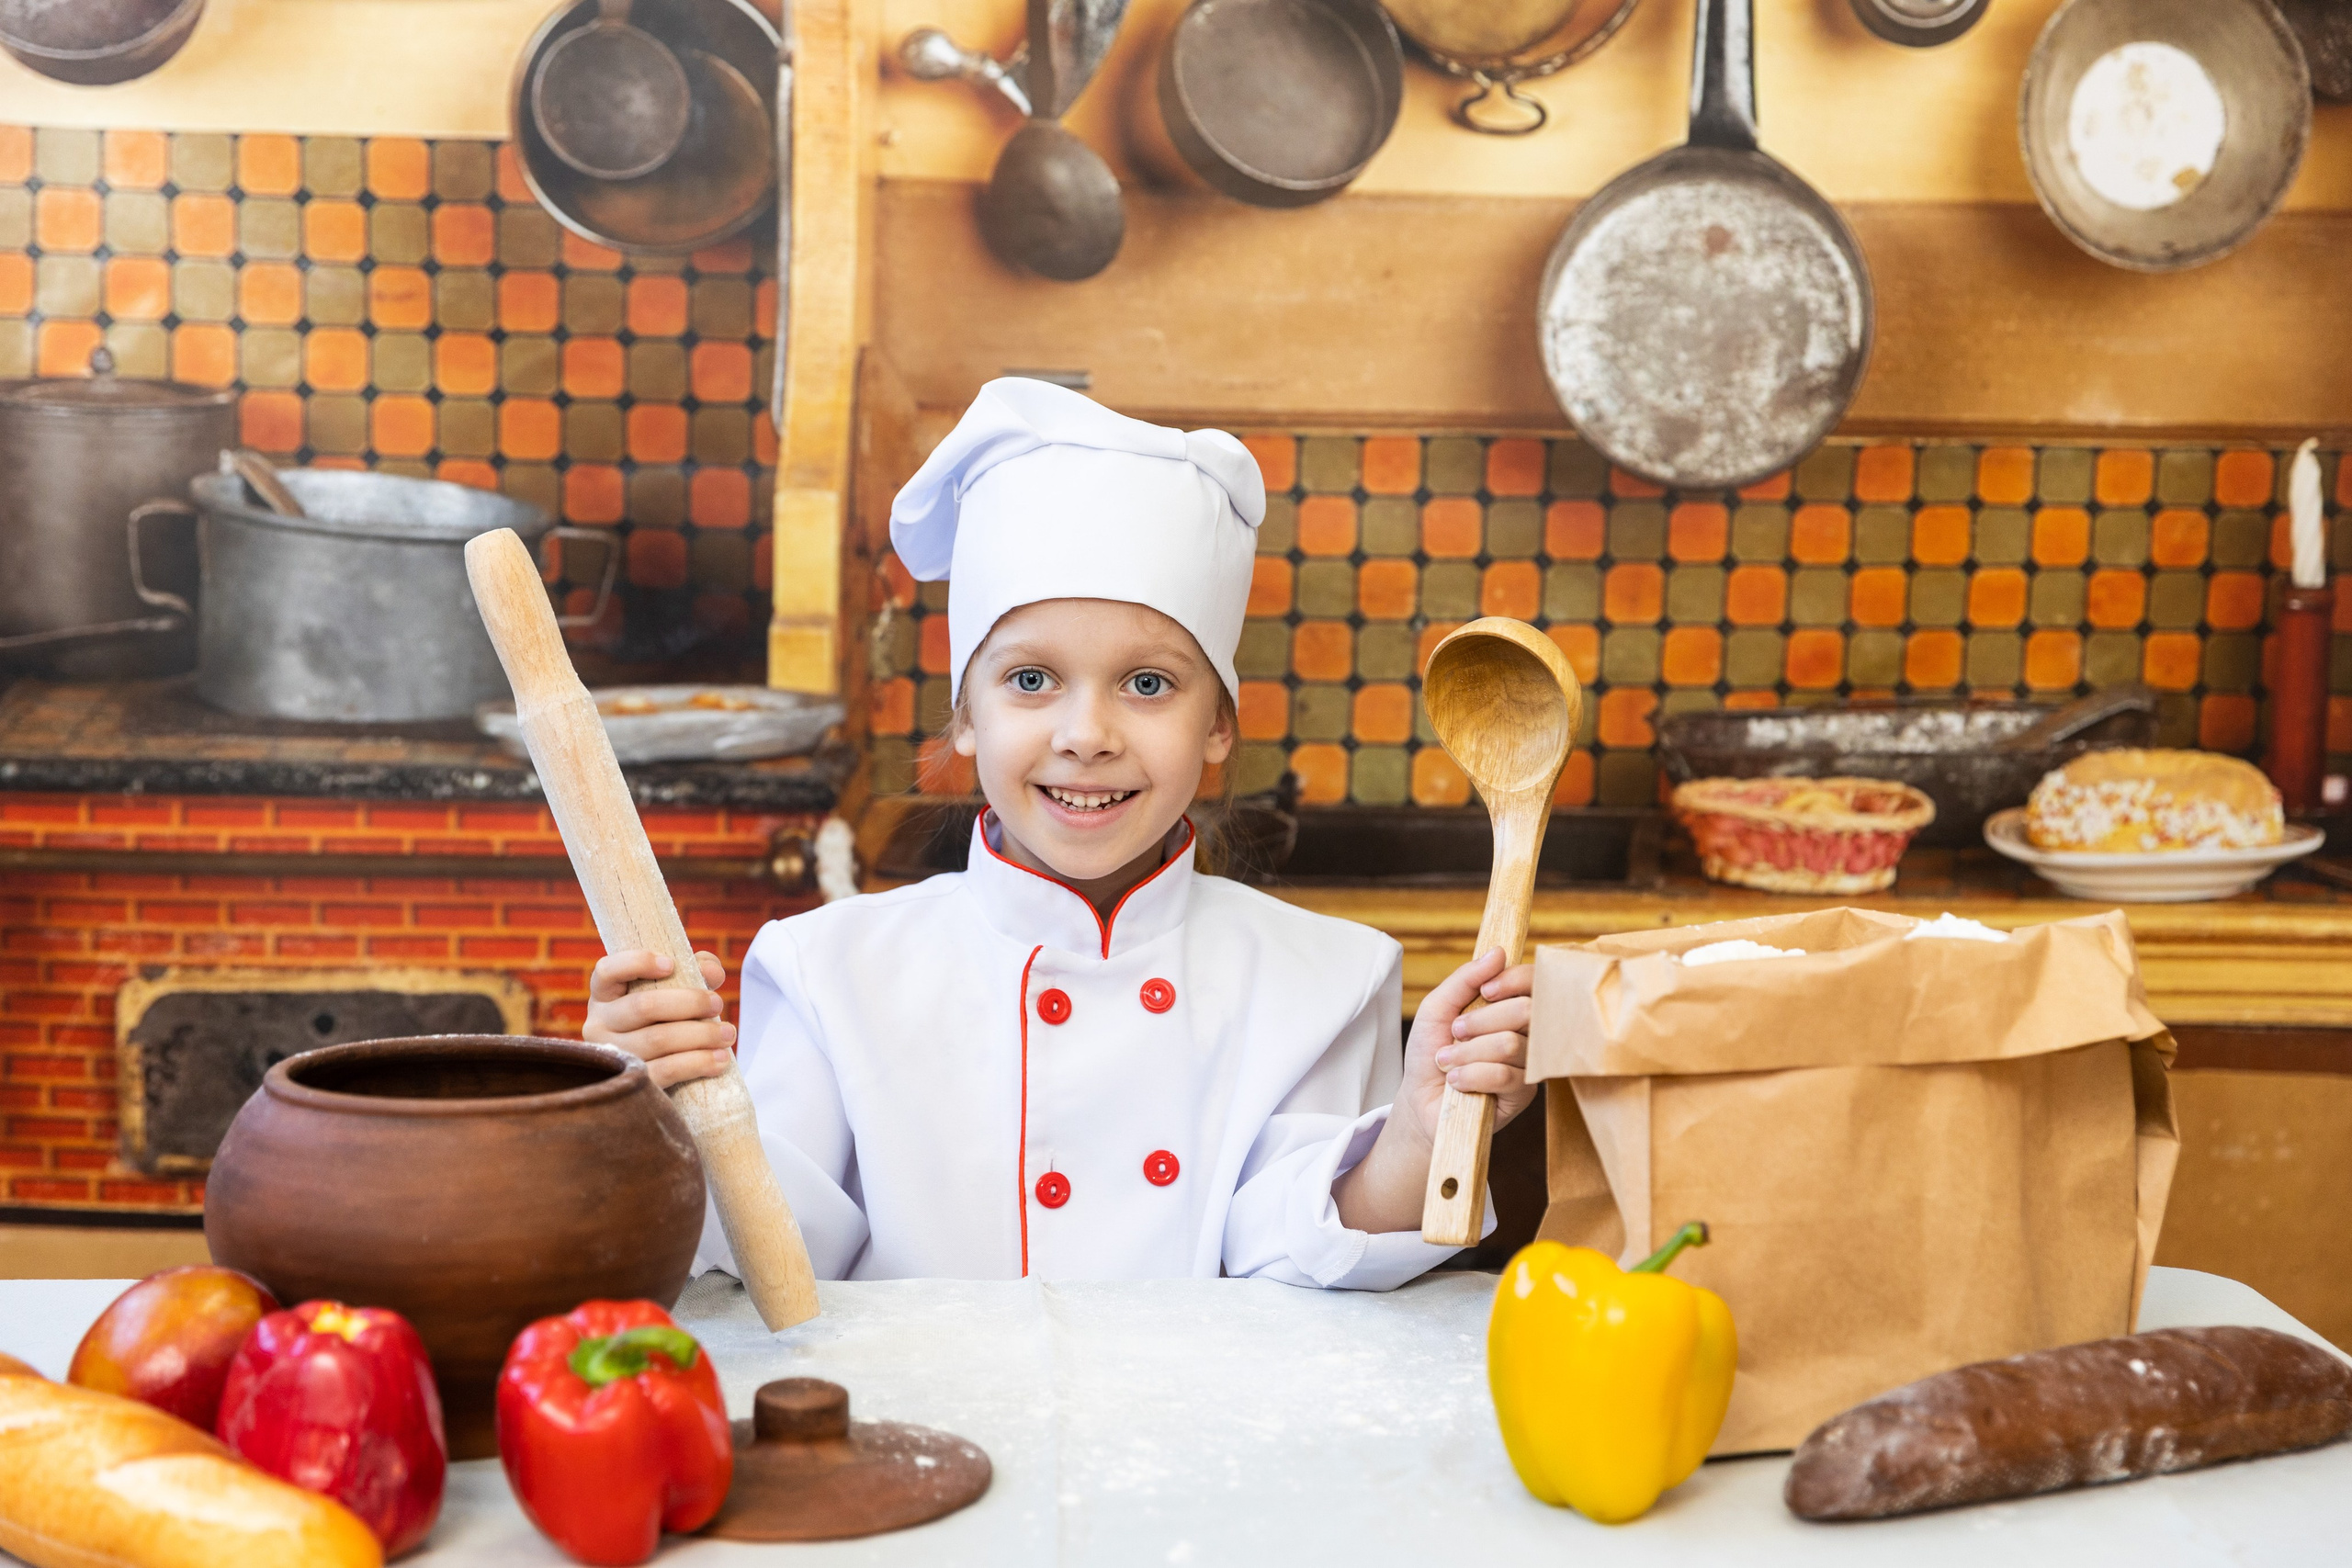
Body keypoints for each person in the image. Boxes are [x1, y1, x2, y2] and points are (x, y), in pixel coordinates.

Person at [585, 378, 1537, 1288]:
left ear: (1218, 726)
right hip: (917, 1438)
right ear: (966, 716)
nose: (1086, 735)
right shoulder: (826, 970)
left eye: (1148, 684)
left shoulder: (1328, 977)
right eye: (1031, 680)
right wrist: (641, 1106)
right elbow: (763, 1246)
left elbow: (1297, 1249)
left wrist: (1421, 1128)